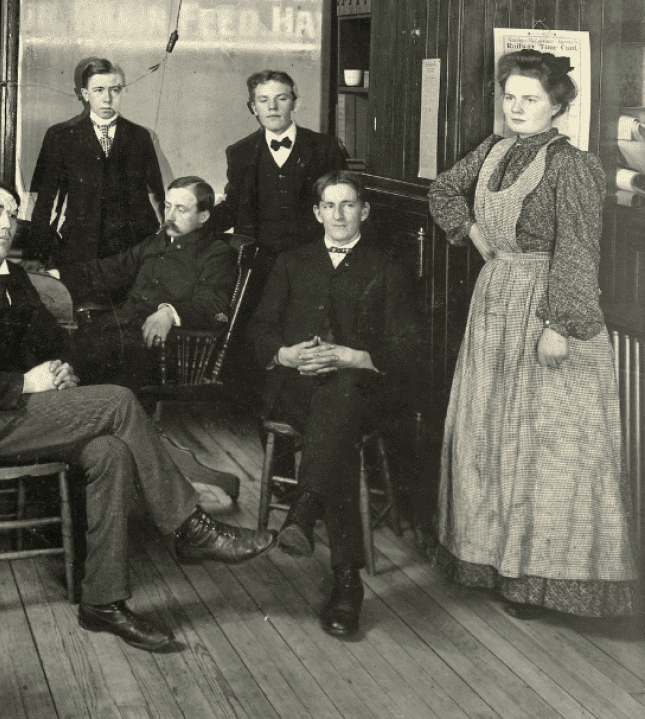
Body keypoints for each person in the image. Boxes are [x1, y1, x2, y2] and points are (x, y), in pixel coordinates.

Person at [0, 179, 276, 653]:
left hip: (21, 416)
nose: (7, 223)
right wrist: (26, 383)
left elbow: (53, 345)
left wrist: (61, 371)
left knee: (111, 451)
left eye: (13, 213)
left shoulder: (14, 279)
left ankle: (102, 602)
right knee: (120, 401)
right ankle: (191, 529)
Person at [430, 48, 638, 619]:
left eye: (531, 99)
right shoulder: (493, 150)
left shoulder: (573, 164)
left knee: (549, 448)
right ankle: (494, 564)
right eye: (510, 96)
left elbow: (577, 250)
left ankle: (543, 580)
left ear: (557, 106)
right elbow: (444, 191)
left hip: (549, 309)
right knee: (493, 435)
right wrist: (474, 234)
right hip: (496, 302)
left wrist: (558, 327)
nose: (517, 107)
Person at [246, 170, 418, 637]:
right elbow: (259, 329)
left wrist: (353, 356)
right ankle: (345, 580)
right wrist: (287, 353)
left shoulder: (387, 264)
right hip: (295, 389)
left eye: (349, 205)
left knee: (339, 403)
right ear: (317, 212)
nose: (339, 214)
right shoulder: (292, 261)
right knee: (335, 430)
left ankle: (306, 514)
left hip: (360, 389)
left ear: (364, 211)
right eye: (330, 205)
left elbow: (407, 347)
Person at [52, 176, 236, 389]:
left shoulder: (215, 253)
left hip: (163, 348)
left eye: (181, 210)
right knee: (62, 350)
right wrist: (57, 274)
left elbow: (213, 308)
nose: (170, 216)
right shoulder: (155, 241)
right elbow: (113, 268)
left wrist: (169, 312)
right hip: (120, 331)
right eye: (167, 207)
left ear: (203, 215)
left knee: (83, 369)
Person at [26, 58, 164, 271]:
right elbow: (44, 201)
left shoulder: (140, 137)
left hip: (132, 250)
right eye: (98, 90)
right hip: (81, 249)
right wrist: (36, 254)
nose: (107, 98)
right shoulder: (60, 136)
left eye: (114, 90)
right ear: (84, 94)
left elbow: (157, 195)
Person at [209, 70, 348, 282]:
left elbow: (343, 203)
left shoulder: (325, 148)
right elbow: (233, 206)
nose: (272, 108)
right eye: (263, 100)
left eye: (281, 99)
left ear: (295, 104)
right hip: (260, 263)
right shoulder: (240, 152)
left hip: (315, 259)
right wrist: (196, 221)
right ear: (253, 108)